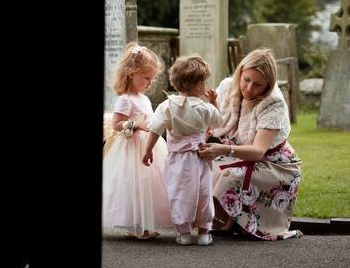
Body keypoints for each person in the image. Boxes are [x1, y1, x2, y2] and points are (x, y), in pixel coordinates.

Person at [198, 48, 303, 241]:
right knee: (198, 166)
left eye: (257, 85)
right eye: (246, 80)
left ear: (268, 85)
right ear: (240, 72)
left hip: (274, 164)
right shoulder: (228, 86)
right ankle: (227, 220)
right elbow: (214, 122)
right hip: (237, 154)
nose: (248, 88)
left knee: (228, 176)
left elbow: (257, 151)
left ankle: (239, 221)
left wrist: (223, 149)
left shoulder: (274, 104)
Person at [143, 54, 222, 246]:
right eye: (204, 82)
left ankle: (184, 233)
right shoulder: (205, 108)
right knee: (203, 192)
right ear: (198, 86)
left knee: (179, 193)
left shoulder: (166, 106)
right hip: (200, 158)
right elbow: (218, 121)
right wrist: (213, 102)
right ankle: (204, 233)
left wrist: (148, 151)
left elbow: (154, 130)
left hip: (177, 159)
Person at [102, 42, 171, 239]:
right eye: (146, 78)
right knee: (135, 184)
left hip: (149, 144)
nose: (150, 83)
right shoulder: (125, 99)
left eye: (152, 79)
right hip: (132, 147)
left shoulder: (144, 98)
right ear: (131, 73)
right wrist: (134, 124)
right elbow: (116, 124)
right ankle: (138, 226)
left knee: (151, 183)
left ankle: (144, 224)